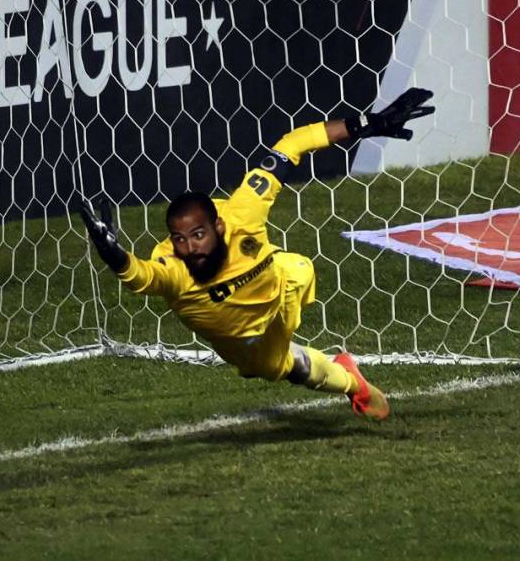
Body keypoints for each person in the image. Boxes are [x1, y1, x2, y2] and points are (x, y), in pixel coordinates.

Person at [79, 88, 435, 421]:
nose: (190, 248)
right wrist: (112, 252)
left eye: (198, 235)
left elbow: (291, 145)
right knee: (285, 369)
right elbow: (141, 277)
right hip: (240, 339)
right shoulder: (175, 269)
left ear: (219, 227)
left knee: (297, 270)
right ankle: (350, 378)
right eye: (180, 239)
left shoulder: (243, 212)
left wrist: (363, 124)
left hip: (283, 281)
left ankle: (351, 382)